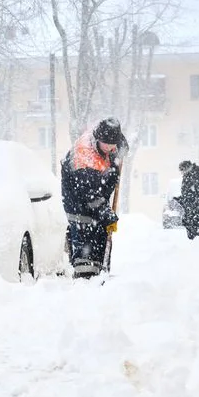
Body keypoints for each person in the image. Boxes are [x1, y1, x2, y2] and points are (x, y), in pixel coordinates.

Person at [61, 118, 127, 279]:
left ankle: (100, 274)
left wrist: (121, 150)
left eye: (113, 145)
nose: (111, 148)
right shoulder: (85, 157)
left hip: (97, 200)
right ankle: (85, 280)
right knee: (86, 248)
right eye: (107, 145)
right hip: (78, 204)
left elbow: (121, 144)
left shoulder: (107, 140)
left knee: (101, 237)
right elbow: (90, 196)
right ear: (98, 139)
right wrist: (108, 215)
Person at [173, 160, 199, 239]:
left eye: (182, 171)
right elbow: (190, 194)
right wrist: (181, 199)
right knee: (196, 232)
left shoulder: (194, 176)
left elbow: (196, 194)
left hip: (198, 211)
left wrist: (184, 199)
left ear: (186, 169)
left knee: (198, 234)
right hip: (197, 210)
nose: (181, 173)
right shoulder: (193, 175)